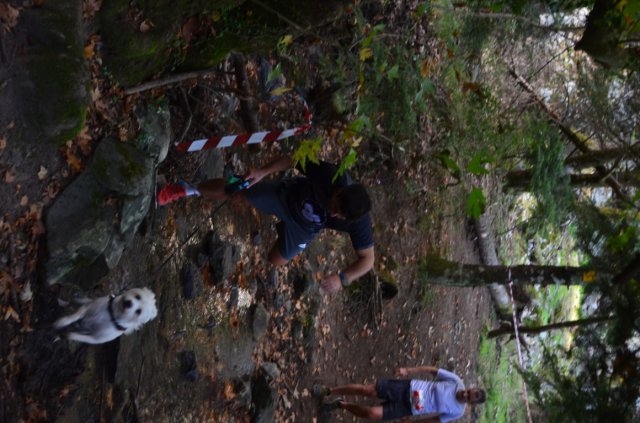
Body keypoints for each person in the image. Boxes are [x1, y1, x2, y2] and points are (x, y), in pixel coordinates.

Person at [157, 155, 374, 292]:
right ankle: (187, 188)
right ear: (340, 191)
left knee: (275, 260)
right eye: (335, 205)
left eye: (339, 215)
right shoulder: (330, 175)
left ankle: (284, 227)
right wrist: (262, 172)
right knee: (239, 191)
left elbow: (368, 260)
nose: (333, 213)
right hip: (288, 195)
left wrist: (342, 279)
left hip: (306, 227)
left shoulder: (359, 222)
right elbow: (294, 159)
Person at [314, 365, 486, 422]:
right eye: (467, 392)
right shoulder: (456, 381)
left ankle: (340, 404)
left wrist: (413, 422)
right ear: (470, 388)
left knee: (371, 413)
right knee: (367, 390)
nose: (464, 394)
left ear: (470, 404)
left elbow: (436, 420)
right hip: (407, 388)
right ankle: (329, 390)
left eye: (467, 398)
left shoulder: (457, 412)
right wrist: (408, 370)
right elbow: (433, 371)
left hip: (409, 408)